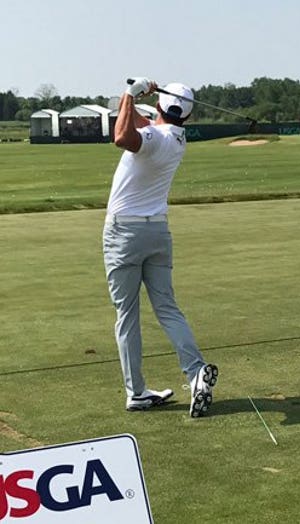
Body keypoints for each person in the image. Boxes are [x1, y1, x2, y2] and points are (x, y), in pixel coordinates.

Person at [104, 77, 218, 417]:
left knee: (127, 315)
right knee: (167, 307)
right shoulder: (176, 139)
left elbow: (122, 135)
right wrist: (138, 100)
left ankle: (136, 392)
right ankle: (196, 373)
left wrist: (129, 93)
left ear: (159, 107)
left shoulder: (152, 139)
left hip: (124, 233)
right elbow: (143, 124)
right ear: (188, 116)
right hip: (157, 234)